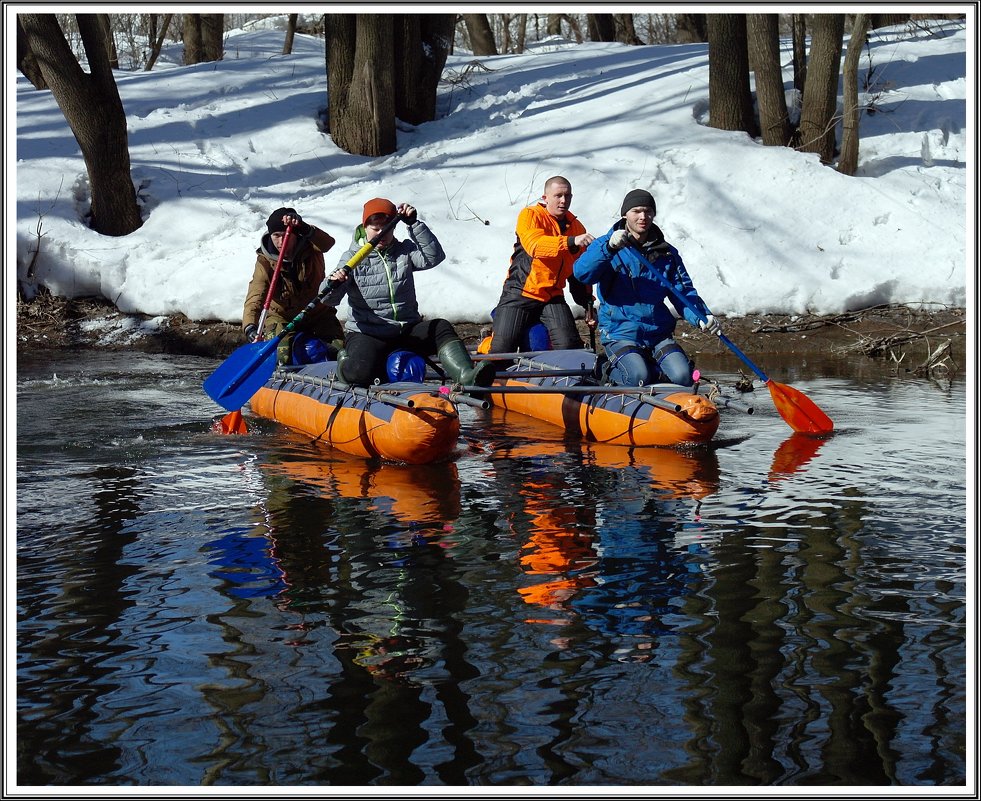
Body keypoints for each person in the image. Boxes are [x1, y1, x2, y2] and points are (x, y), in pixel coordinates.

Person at [321, 198, 495, 388]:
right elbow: (329, 300)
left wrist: (414, 224)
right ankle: (343, 361)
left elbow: (433, 257)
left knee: (440, 327)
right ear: (365, 228)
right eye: (376, 229)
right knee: (360, 373)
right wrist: (334, 283)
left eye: (386, 228)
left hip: (406, 330)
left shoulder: (403, 250)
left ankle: (467, 376)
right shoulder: (352, 258)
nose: (381, 234)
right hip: (368, 333)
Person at [573, 189, 722, 387]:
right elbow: (582, 273)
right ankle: (603, 368)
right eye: (636, 211)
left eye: (648, 211)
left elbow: (683, 292)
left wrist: (702, 316)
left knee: (683, 377)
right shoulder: (606, 244)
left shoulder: (667, 253)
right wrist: (609, 248)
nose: (643, 217)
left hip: (657, 334)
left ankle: (651, 369)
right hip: (620, 332)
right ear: (625, 214)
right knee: (636, 378)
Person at [489, 175, 597, 355]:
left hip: (552, 296)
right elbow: (535, 246)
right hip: (520, 292)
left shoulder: (577, 228)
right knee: (501, 350)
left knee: (570, 347)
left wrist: (587, 304)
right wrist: (570, 242)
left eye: (568, 196)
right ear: (545, 198)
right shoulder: (530, 215)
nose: (563, 200)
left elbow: (578, 271)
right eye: (558, 195)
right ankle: (486, 346)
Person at [242, 207, 342, 364]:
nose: (282, 242)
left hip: (318, 314)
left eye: (286, 236)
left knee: (340, 352)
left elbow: (328, 243)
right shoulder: (264, 261)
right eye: (276, 236)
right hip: (282, 317)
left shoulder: (312, 246)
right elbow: (256, 295)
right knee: (282, 357)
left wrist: (305, 228)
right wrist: (250, 327)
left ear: (296, 235)